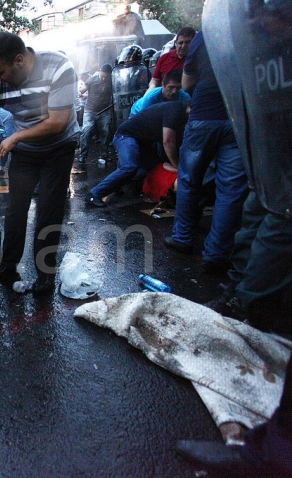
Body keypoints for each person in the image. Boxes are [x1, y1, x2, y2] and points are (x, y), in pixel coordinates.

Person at [176, 1, 291, 474]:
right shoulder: (252, 48)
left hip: (217, 123)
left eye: (272, 11)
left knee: (258, 203)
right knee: (249, 197)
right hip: (248, 129)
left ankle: (243, 300)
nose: (260, 20)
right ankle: (237, 286)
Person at [0, 31, 80, 294]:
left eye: (0, 73)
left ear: (19, 61)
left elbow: (58, 123)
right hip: (25, 151)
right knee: (15, 209)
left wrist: (15, 137)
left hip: (59, 147)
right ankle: (8, 266)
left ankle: (45, 275)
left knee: (48, 210)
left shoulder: (58, 67)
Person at [164, 31, 248, 274]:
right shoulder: (254, 27)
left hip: (204, 116)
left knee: (189, 179)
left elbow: (188, 83)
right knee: (231, 188)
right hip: (237, 119)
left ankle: (182, 238)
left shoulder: (207, 33)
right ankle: (217, 252)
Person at [85, 101, 188, 207]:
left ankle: (117, 185)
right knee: (129, 166)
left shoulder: (181, 113)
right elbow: (168, 141)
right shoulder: (175, 109)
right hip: (126, 136)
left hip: (142, 140)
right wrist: (177, 165)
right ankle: (94, 194)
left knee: (150, 166)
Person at [78, 64, 113, 164]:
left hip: (104, 110)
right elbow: (82, 90)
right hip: (90, 110)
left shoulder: (111, 81)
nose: (103, 78)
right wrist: (80, 94)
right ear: (100, 71)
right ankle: (83, 155)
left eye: (106, 77)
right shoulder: (92, 79)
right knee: (86, 131)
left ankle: (104, 155)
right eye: (102, 76)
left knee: (105, 133)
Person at [147, 26, 196, 91]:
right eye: (180, 43)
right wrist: (151, 90)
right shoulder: (164, 58)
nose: (183, 46)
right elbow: (155, 79)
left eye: (187, 42)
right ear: (175, 43)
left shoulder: (197, 59)